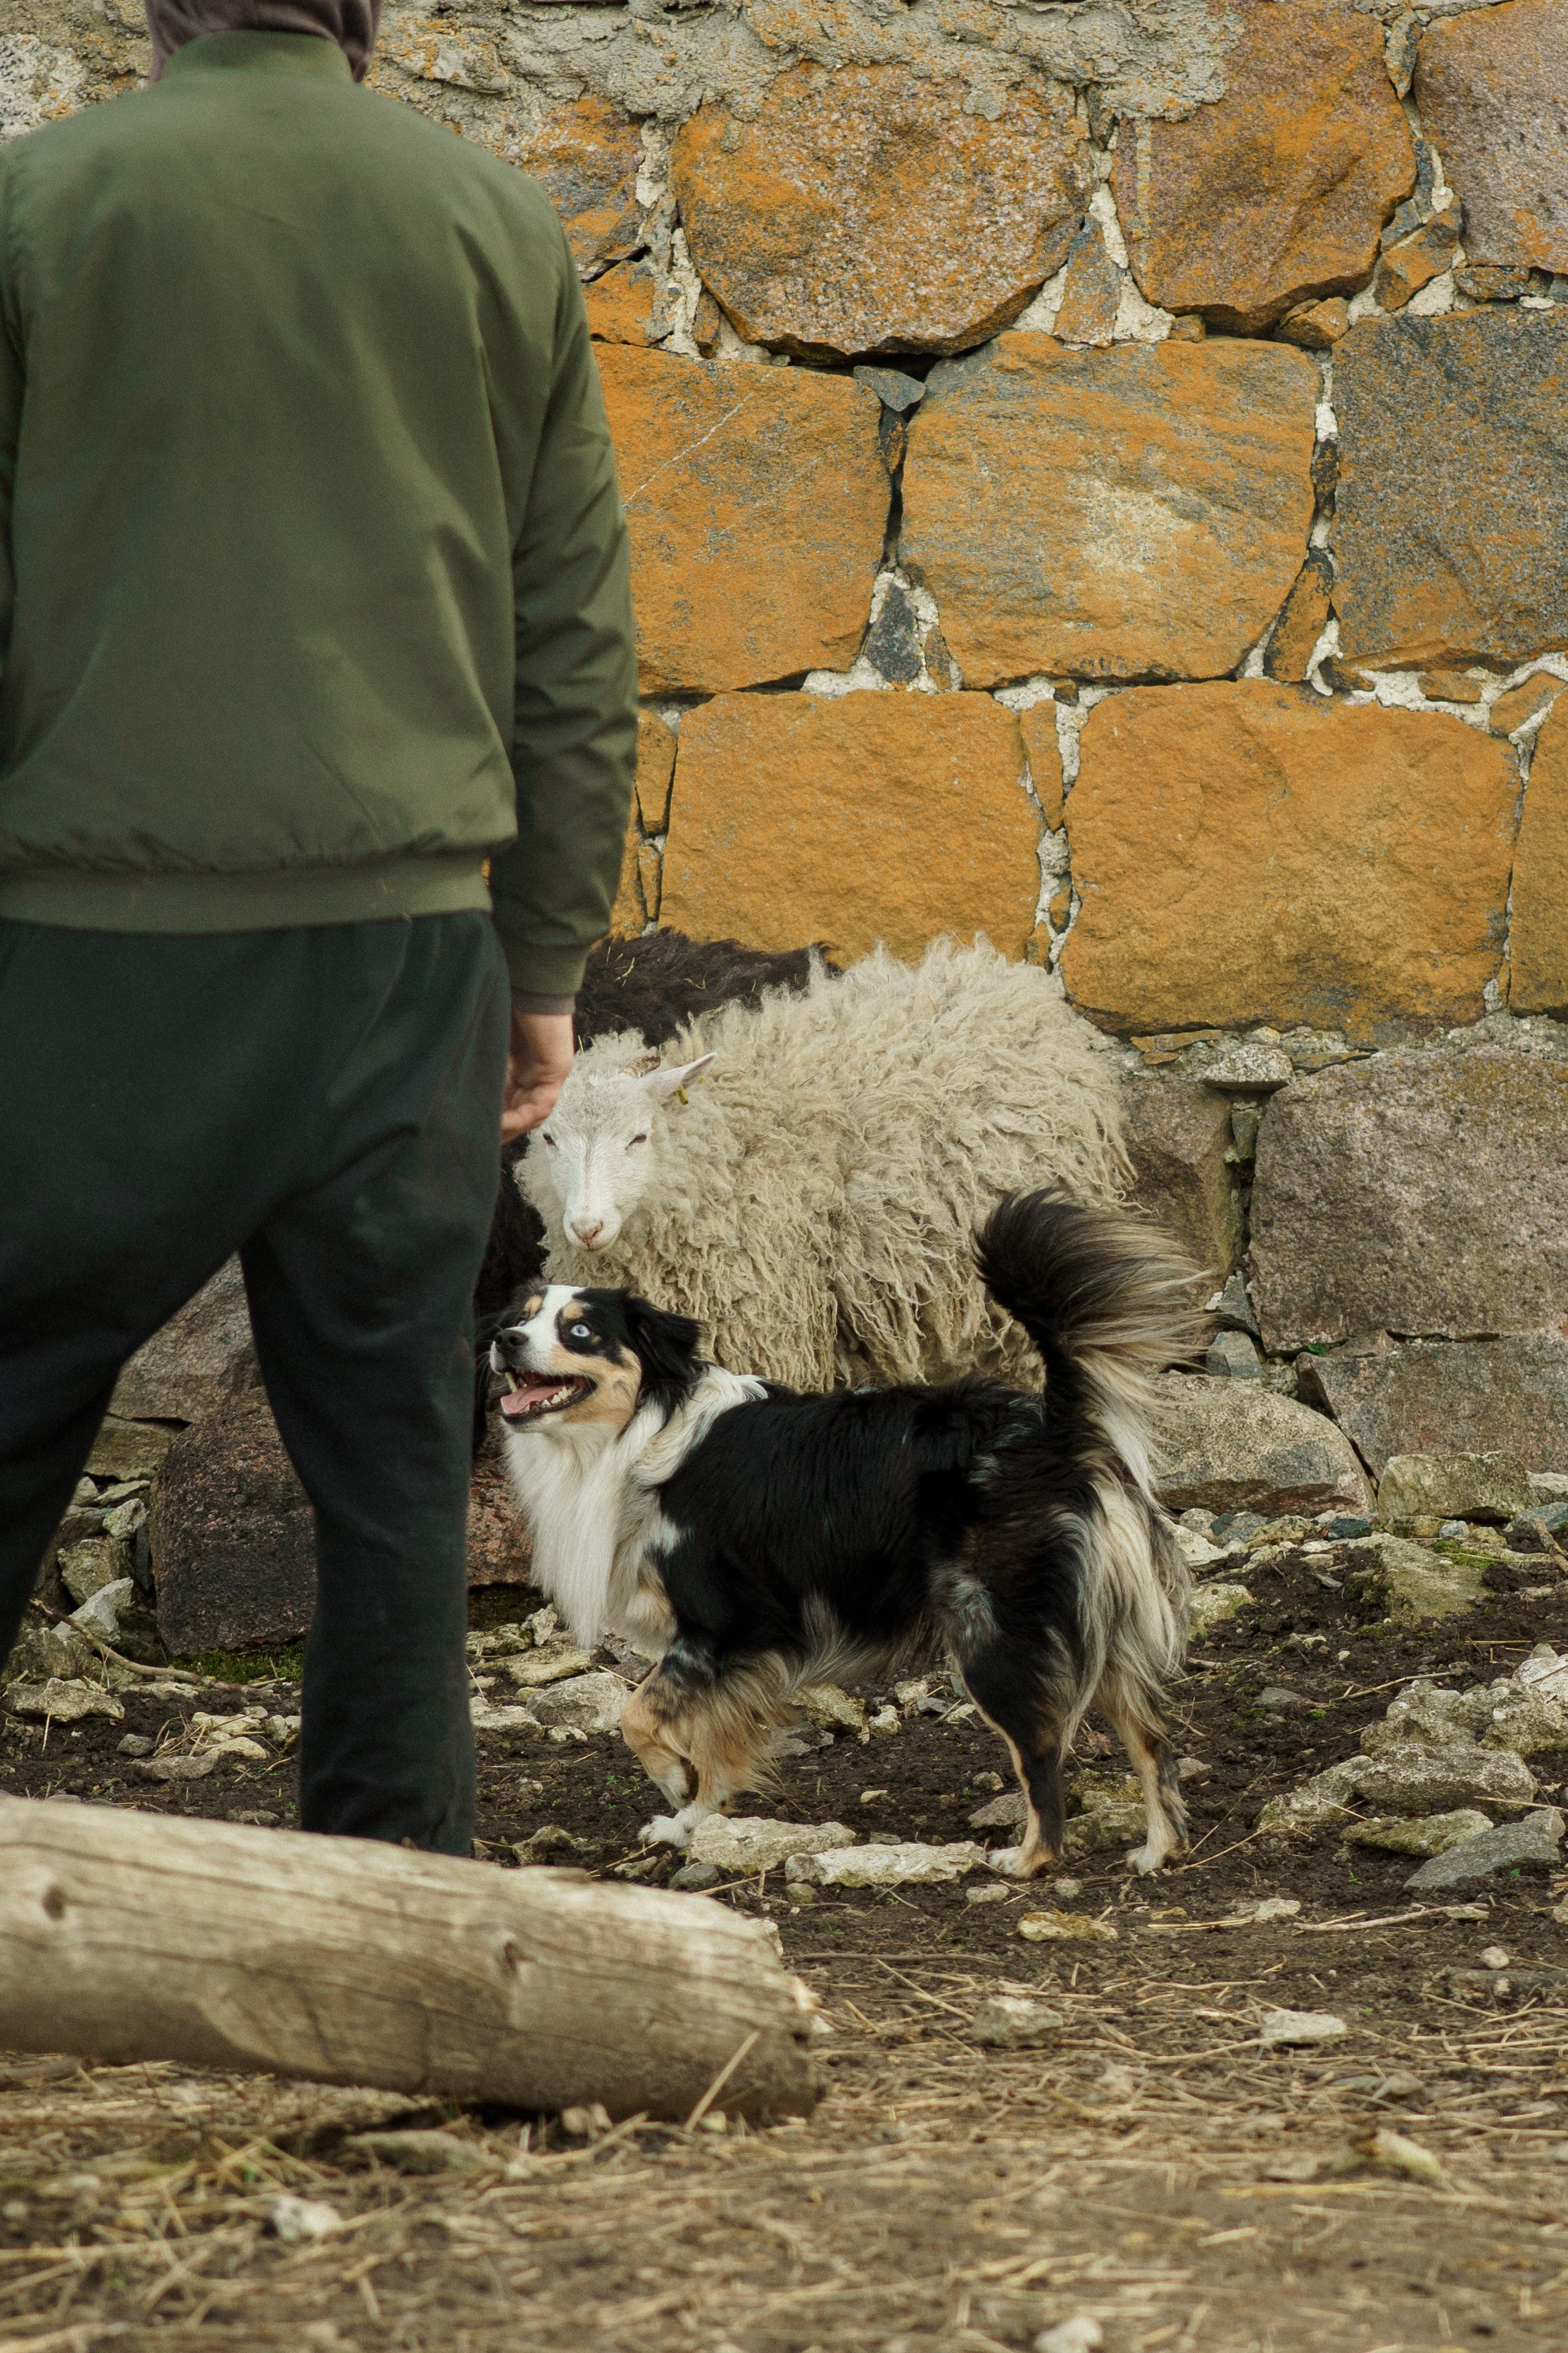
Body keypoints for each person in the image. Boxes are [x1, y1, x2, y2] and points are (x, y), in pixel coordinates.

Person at [0, 0, 638, 1853]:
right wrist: (539, 974)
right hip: (402, 961)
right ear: (360, 14)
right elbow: (572, 637)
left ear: (154, 9)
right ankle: (405, 1935)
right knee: (384, 1487)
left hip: (90, 963)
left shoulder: (41, 211)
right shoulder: (490, 226)